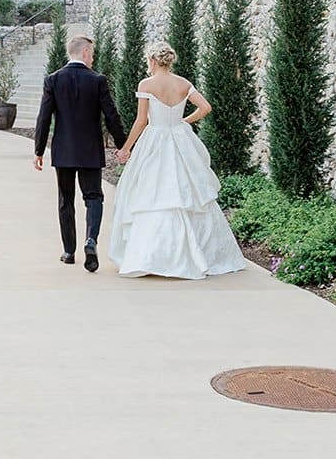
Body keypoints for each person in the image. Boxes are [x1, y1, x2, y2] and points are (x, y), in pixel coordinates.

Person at [107, 41, 246, 280]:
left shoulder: (146, 84)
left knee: (153, 192)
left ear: (152, 60)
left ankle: (152, 257)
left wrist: (126, 148)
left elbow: (141, 121)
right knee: (186, 192)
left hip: (155, 139)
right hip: (180, 140)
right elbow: (205, 107)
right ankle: (200, 254)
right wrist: (184, 122)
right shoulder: (184, 83)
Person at [33, 34, 126, 271]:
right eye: (92, 53)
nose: (93, 58)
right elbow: (111, 115)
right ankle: (91, 240)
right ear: (84, 52)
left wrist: (39, 150)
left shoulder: (53, 80)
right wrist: (122, 143)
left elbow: (44, 117)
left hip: (63, 150)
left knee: (66, 200)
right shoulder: (97, 80)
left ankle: (68, 251)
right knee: (93, 197)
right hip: (90, 150)